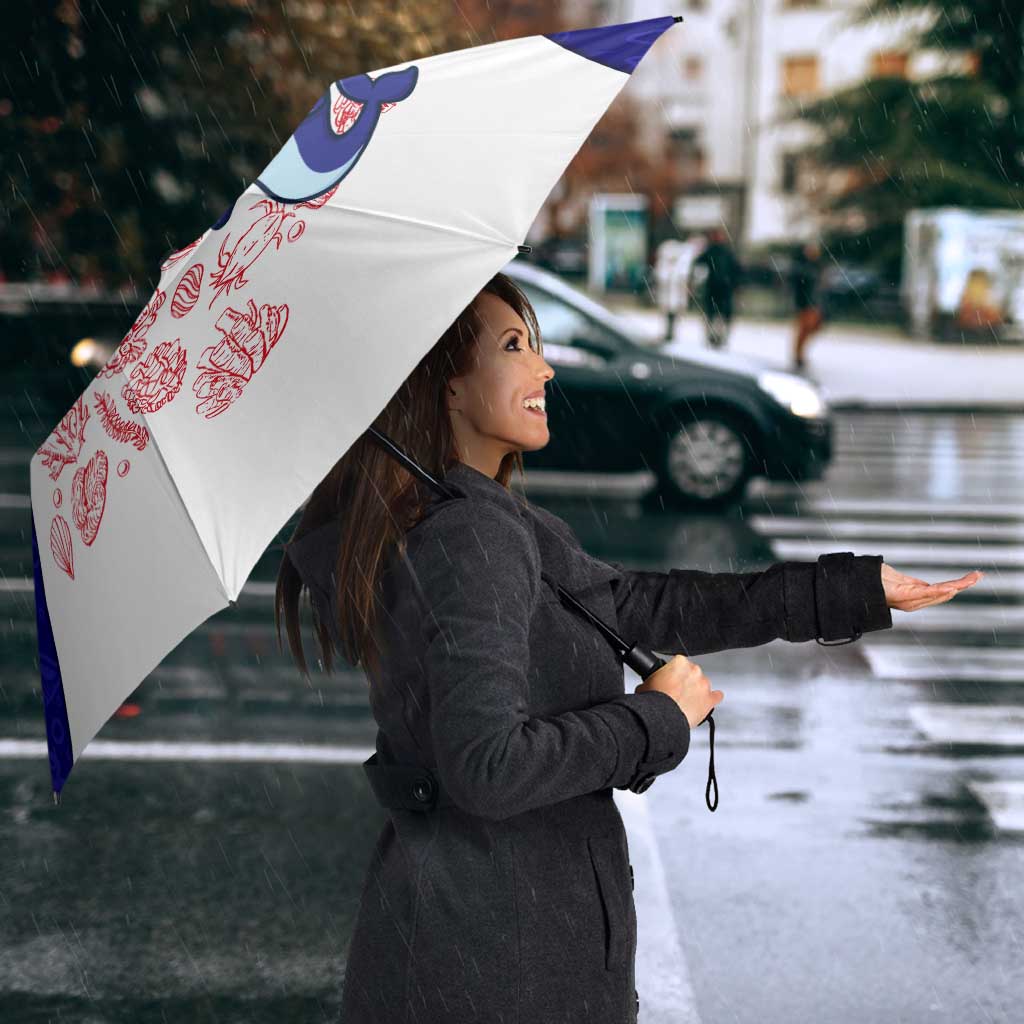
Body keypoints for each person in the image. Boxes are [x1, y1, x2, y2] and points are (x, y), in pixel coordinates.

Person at [275, 271, 979, 1024]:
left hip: (478, 942)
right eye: (514, 346)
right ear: (445, 386)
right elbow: (487, 767)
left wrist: (849, 591)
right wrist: (655, 719)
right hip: (499, 962)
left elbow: (640, 605)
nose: (544, 368)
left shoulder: (476, 518)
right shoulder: (469, 536)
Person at [692, 226, 742, 349]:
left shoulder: (725, 252)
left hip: (723, 288)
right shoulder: (712, 251)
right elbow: (698, 264)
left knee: (720, 315)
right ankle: (713, 337)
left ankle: (719, 337)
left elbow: (736, 270)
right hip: (715, 288)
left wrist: (735, 284)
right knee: (713, 314)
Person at [790, 239, 826, 370]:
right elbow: (799, 286)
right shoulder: (802, 267)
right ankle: (798, 355)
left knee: (812, 328)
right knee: (804, 329)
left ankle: (799, 354)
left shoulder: (817, 266)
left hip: (814, 303)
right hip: (805, 303)